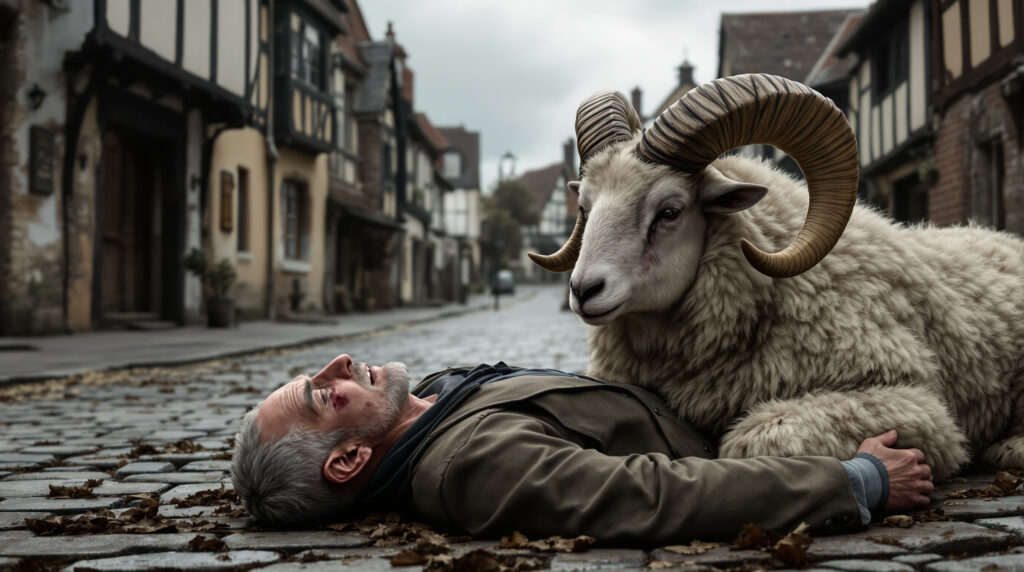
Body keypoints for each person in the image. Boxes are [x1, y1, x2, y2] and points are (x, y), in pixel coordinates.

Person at [231, 354, 934, 544]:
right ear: (349, 461)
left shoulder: (434, 401)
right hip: (770, 434)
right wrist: (856, 480)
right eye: (322, 395)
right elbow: (653, 496)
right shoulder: (470, 465)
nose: (339, 364)